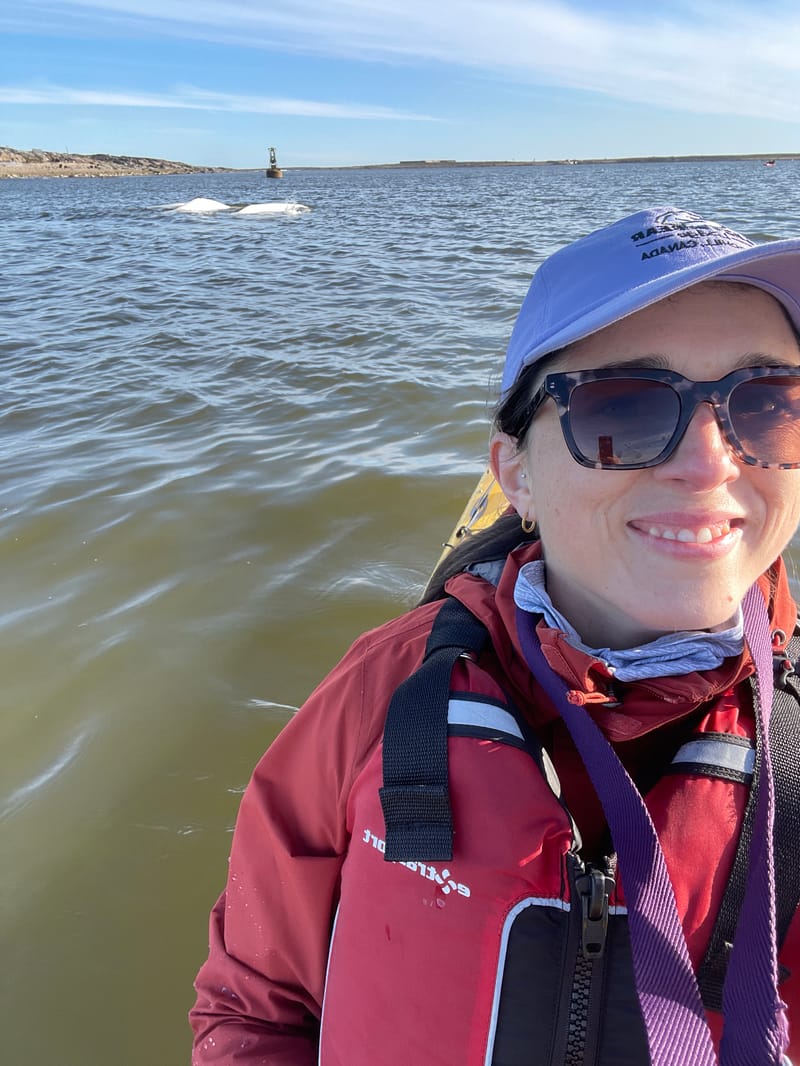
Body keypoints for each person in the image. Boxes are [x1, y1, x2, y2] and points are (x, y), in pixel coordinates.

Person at [190, 207, 800, 1065]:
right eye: (622, 409)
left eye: (769, 405)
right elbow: (254, 1007)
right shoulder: (386, 694)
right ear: (516, 473)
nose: (710, 464)